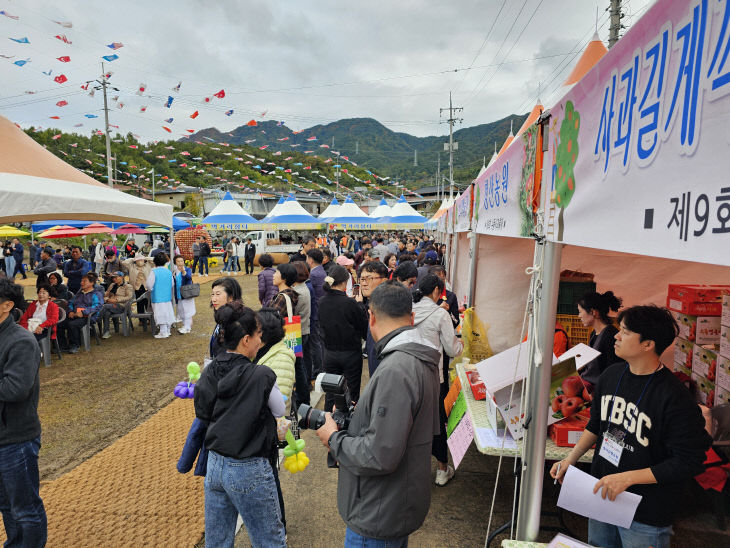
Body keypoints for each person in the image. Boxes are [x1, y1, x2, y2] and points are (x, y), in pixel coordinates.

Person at [550, 306, 712, 548]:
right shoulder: (611, 375)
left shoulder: (674, 397)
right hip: (602, 494)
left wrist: (627, 478)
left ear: (647, 344)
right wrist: (570, 459)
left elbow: (688, 460)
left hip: (645, 511)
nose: (615, 336)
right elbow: (597, 424)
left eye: (624, 332)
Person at [315, 282, 441, 547]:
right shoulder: (420, 358)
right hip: (395, 501)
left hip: (377, 511)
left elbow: (378, 454)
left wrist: (333, 438)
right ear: (412, 317)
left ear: (371, 316)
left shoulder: (396, 368)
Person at [194, 302, 287, 547]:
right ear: (246, 339)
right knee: (269, 540)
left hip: (215, 463)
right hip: (249, 464)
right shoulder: (260, 375)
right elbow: (279, 409)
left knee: (217, 541)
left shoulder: (210, 370)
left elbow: (202, 412)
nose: (260, 341)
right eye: (258, 336)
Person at [0, 279, 47, 547]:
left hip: (16, 439)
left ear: (7, 306)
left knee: (25, 508)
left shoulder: (21, 341)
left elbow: (14, 389)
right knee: (6, 505)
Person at [413, 274, 464, 486]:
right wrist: (461, 344)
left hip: (408, 373)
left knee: (411, 420)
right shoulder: (440, 314)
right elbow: (452, 348)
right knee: (436, 422)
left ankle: (412, 467)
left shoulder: (408, 309)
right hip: (433, 376)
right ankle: (442, 469)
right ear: (436, 291)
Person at [318, 265, 368, 410]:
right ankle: (347, 425)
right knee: (351, 391)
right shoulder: (350, 303)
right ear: (345, 282)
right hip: (350, 353)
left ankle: (328, 419)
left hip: (329, 353)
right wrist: (359, 305)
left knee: (331, 391)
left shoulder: (322, 301)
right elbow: (363, 328)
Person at [577, 291, 622, 389]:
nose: (579, 316)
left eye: (580, 312)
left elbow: (612, 372)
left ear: (593, 312)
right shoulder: (594, 334)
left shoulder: (611, 336)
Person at [356, 261, 389, 375]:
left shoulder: (387, 308)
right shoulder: (371, 305)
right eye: (362, 279)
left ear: (384, 281)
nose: (364, 284)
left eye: (369, 279)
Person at [58, 273, 103, 354]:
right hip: (75, 314)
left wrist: (83, 312)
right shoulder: (79, 293)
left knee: (72, 324)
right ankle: (62, 346)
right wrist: (71, 311)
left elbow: (97, 306)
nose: (81, 283)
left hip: (88, 316)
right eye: (82, 281)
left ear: (92, 283)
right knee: (60, 323)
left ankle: (75, 345)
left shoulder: (96, 294)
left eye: (85, 281)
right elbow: (71, 303)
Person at [291, 262, 311, 407]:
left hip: (297, 331)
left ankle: (303, 398)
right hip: (302, 330)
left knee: (298, 366)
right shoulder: (303, 287)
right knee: (300, 365)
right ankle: (304, 396)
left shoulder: (298, 292)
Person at [209, 277, 243, 363]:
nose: (214, 299)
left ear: (231, 297)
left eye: (218, 294)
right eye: (212, 294)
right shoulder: (222, 317)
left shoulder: (235, 320)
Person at [146, 253, 175, 339]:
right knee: (168, 312)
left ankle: (163, 332)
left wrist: (151, 289)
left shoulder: (154, 271)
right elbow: (172, 283)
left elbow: (149, 284)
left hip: (157, 296)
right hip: (167, 296)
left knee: (160, 314)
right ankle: (168, 330)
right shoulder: (168, 271)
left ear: (154, 262)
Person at [99, 271, 134, 338]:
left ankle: (96, 318)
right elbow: (105, 294)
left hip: (122, 306)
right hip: (111, 305)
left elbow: (129, 297)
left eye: (116, 277)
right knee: (106, 312)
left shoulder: (127, 286)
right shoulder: (112, 285)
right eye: (113, 278)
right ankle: (106, 332)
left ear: (122, 277)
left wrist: (116, 300)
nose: (114, 279)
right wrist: (107, 299)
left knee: (105, 307)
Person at [122, 255, 153, 330]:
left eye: (141, 260)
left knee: (148, 302)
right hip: (137, 287)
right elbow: (124, 262)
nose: (140, 261)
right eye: (138, 260)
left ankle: (150, 318)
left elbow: (153, 260)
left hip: (146, 287)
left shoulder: (148, 265)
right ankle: (141, 320)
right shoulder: (132, 266)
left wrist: (145, 258)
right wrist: (133, 259)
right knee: (139, 303)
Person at [173, 254, 196, 334]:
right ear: (175, 263)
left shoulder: (187, 269)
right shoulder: (174, 271)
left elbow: (189, 277)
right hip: (179, 295)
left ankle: (187, 327)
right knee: (181, 311)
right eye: (178, 261)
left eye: (181, 261)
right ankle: (185, 326)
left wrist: (184, 272)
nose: (180, 263)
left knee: (187, 311)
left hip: (186, 294)